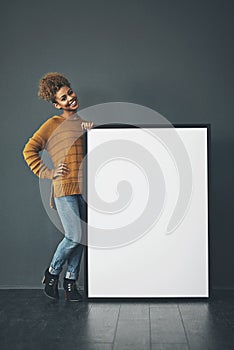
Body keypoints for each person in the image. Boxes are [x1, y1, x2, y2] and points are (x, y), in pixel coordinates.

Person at [22, 72, 93, 301]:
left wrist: (93, 133)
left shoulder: (83, 122)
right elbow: (29, 150)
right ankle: (52, 273)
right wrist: (49, 172)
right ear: (56, 104)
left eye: (70, 92)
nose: (70, 98)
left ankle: (71, 282)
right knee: (74, 234)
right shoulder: (52, 124)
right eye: (64, 98)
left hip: (85, 189)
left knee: (82, 237)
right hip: (63, 188)